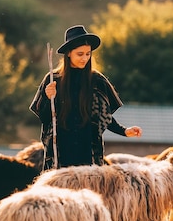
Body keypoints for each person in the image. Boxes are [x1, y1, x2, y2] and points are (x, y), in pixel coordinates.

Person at [30, 25, 142, 169]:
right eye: (80, 54)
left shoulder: (97, 81)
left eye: (88, 54)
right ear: (69, 53)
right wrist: (47, 97)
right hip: (60, 155)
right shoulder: (53, 80)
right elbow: (45, 118)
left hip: (89, 154)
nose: (84, 58)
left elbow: (104, 116)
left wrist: (124, 131)